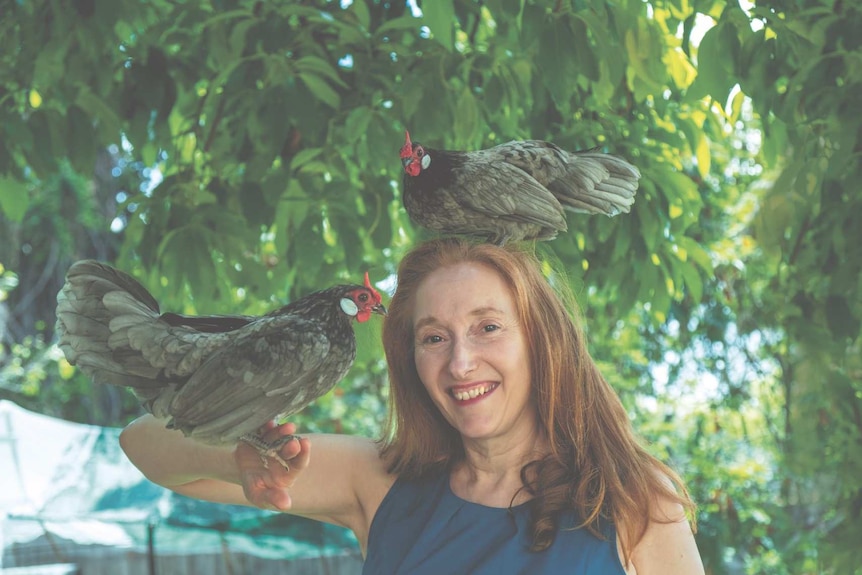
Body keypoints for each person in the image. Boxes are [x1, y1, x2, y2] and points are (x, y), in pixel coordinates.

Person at [120, 237, 705, 574]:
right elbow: (143, 445)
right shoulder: (379, 480)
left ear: (542, 341)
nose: (460, 362)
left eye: (488, 327)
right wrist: (241, 459)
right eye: (433, 337)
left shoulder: (630, 493)